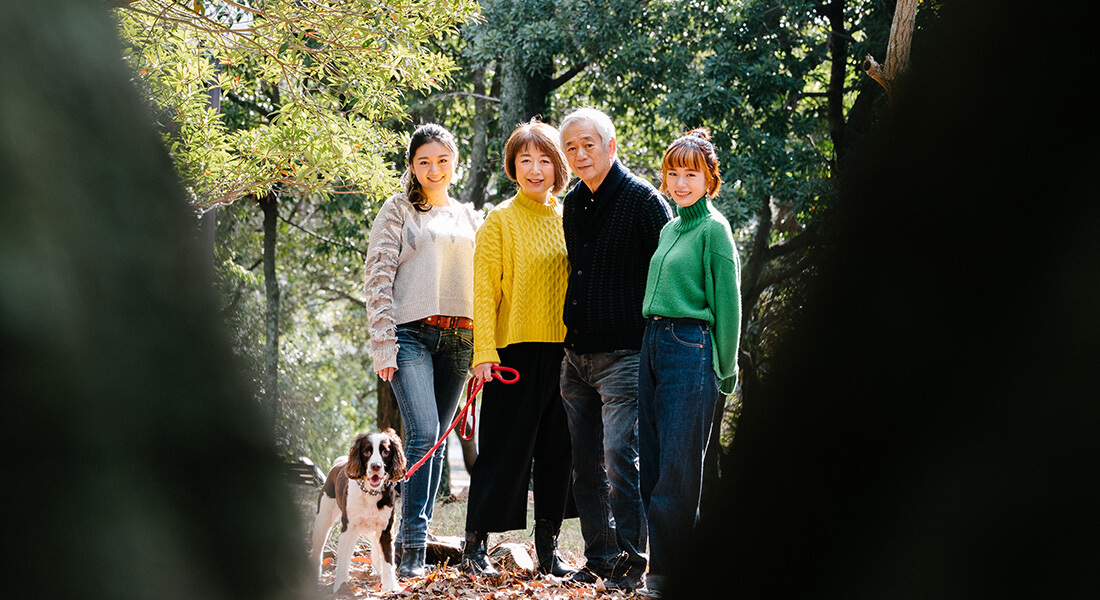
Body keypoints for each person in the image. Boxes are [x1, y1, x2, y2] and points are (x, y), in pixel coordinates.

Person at [557, 107, 673, 591]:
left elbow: (666, 274)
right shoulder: (571, 203)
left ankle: (636, 560)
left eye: (588, 144)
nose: (580, 155)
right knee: (584, 465)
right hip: (575, 358)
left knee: (620, 459)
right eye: (571, 148)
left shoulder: (644, 201)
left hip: (625, 356)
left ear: (611, 145)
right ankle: (601, 558)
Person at [364, 123, 482, 578]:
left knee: (434, 442)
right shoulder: (397, 210)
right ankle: (410, 549)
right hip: (411, 335)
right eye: (423, 161)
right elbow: (377, 276)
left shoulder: (469, 217)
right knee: (424, 433)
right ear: (412, 166)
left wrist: (484, 350)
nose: (434, 170)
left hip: (460, 338)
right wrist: (383, 344)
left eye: (442, 160)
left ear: (454, 162)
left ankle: (418, 538)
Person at [460, 119, 577, 578]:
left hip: (567, 354)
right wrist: (483, 354)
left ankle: (548, 548)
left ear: (557, 166)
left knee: (558, 451)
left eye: (544, 160)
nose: (535, 169)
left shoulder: (570, 217)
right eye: (525, 160)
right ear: (513, 166)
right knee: (504, 451)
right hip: (513, 353)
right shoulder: (500, 221)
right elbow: (483, 293)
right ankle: (475, 546)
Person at [636, 129, 740, 598]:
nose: (680, 183)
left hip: (690, 346)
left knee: (678, 470)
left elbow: (729, 302)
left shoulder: (714, 230)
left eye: (691, 174)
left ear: (709, 179)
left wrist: (726, 367)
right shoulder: (669, 227)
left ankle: (667, 576)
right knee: (653, 464)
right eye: (673, 173)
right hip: (653, 341)